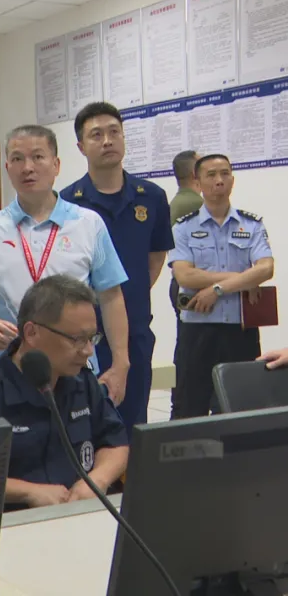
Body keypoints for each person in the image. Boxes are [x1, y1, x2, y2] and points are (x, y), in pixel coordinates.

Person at [0, 124, 131, 405]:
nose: (27, 168)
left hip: (75, 369)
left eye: (38, 157)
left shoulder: (88, 224)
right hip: (10, 370)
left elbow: (111, 296)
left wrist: (121, 363)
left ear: (56, 165)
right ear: (7, 168)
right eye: (17, 159)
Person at [0, 275, 129, 509]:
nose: (88, 351)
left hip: (77, 515)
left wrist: (96, 481)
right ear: (31, 333)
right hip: (9, 521)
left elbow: (116, 443)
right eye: (77, 339)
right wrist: (26, 492)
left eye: (92, 338)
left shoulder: (82, 381)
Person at [59, 102, 174, 432]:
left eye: (114, 132)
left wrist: (124, 301)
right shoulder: (67, 202)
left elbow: (155, 258)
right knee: (82, 423)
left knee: (133, 422)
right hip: (81, 333)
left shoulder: (151, 197)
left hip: (135, 330)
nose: (107, 140)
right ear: (81, 146)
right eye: (96, 135)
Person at [169, 154, 274, 418]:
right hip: (197, 330)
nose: (219, 180)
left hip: (240, 331)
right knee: (189, 407)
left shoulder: (251, 225)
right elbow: (185, 276)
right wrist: (241, 278)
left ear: (232, 180)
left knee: (242, 407)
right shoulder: (184, 227)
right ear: (197, 182)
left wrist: (217, 289)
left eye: (225, 173)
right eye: (212, 175)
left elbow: (265, 268)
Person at [167, 150, 202, 419]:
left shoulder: (177, 202)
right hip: (193, 286)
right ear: (194, 173)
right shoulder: (195, 204)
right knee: (194, 354)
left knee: (187, 348)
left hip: (179, 284)